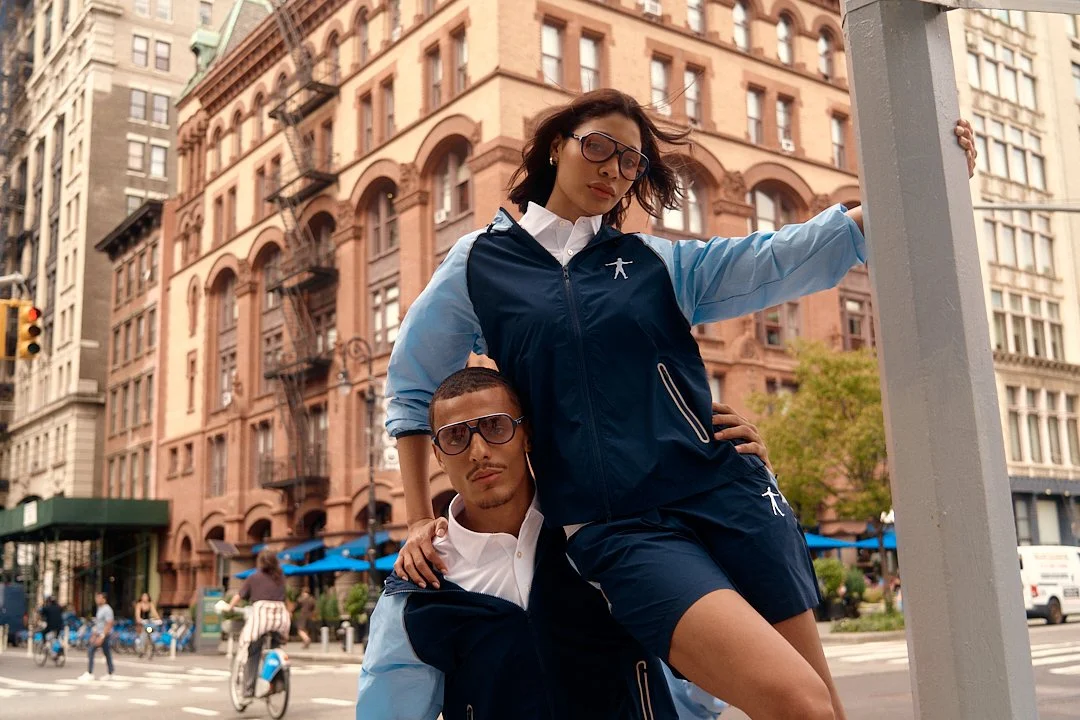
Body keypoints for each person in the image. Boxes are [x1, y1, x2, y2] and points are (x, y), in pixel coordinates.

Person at [387, 88, 979, 720]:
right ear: (557, 146)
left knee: (822, 709)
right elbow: (414, 383)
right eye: (600, 147)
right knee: (798, 701)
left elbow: (781, 254)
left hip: (726, 496)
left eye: (631, 162)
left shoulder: (653, 261)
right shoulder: (480, 264)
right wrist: (420, 517)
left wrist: (924, 180)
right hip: (617, 525)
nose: (614, 170)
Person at [359, 367, 754, 719]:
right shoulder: (420, 590)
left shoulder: (603, 535)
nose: (478, 451)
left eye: (496, 426)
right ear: (438, 455)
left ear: (526, 434)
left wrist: (749, 479)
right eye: (456, 436)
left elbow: (710, 659)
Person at [225, 549, 291, 698]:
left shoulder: (254, 577)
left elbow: (239, 596)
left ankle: (248, 690)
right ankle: (277, 682)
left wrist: (229, 607)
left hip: (262, 617)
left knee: (253, 650)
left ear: (260, 562)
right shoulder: (280, 577)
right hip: (280, 618)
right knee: (275, 649)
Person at [78, 592, 115, 681]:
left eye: (99, 598)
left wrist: (102, 636)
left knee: (91, 650)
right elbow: (99, 623)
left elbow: (109, 623)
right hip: (99, 634)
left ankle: (90, 672)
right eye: (96, 598)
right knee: (106, 653)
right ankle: (110, 672)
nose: (97, 600)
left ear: (104, 599)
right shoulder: (100, 609)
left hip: (104, 635)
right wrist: (94, 634)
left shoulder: (107, 609)